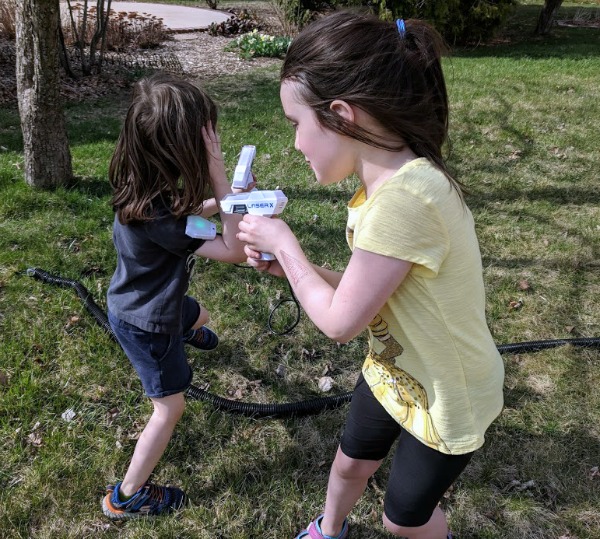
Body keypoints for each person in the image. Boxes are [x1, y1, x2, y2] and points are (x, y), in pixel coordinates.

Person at [237, 11, 504, 539]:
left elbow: (339, 323)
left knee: (404, 521)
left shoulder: (404, 200)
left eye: (297, 125)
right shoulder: (389, 185)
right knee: (349, 464)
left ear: (341, 115)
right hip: (393, 372)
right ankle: (328, 530)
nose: (295, 144)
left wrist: (287, 246)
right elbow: (369, 289)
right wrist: (298, 270)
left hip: (446, 395)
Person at [102, 73, 248, 520]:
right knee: (169, 407)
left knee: (199, 314)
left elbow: (185, 218)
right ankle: (127, 496)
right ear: (179, 150)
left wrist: (222, 203)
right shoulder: (162, 218)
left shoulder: (142, 188)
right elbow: (234, 250)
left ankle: (190, 330)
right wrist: (223, 183)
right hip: (151, 324)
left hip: (136, 301)